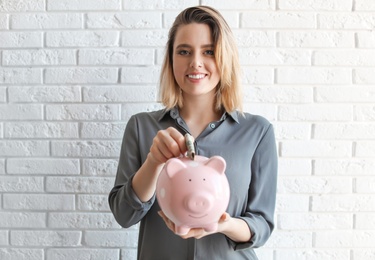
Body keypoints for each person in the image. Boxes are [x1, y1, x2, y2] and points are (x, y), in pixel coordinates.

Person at [108, 5, 277, 260]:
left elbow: (262, 226)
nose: (195, 62)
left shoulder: (257, 132)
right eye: (184, 51)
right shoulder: (141, 127)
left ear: (224, 57)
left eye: (208, 51)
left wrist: (224, 224)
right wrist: (153, 162)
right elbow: (124, 214)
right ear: (171, 59)